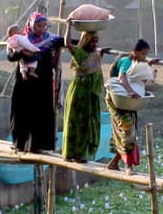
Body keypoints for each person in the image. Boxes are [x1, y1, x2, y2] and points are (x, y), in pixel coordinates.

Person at [8, 12, 64, 152]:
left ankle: (37, 146)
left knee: (41, 113)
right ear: (31, 25)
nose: (42, 28)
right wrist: (23, 53)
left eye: (44, 26)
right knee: (21, 111)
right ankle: (19, 144)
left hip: (42, 82)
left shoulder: (50, 39)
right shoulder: (20, 40)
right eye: (38, 25)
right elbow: (10, 56)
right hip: (25, 81)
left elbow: (67, 41)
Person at [105, 39, 159, 173]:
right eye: (143, 54)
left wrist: (149, 66)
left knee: (129, 132)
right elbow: (122, 78)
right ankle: (128, 166)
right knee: (127, 130)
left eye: (146, 55)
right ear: (134, 52)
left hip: (128, 102)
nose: (144, 57)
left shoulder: (137, 63)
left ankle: (114, 163)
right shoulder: (126, 62)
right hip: (118, 101)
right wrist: (130, 91)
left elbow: (140, 79)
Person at [60, 21, 106, 162]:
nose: (94, 44)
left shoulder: (96, 54)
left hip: (91, 96)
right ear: (85, 41)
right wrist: (68, 26)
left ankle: (82, 154)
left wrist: (102, 53)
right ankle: (73, 153)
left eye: (96, 42)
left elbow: (96, 65)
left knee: (89, 124)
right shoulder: (80, 53)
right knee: (76, 122)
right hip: (79, 93)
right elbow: (67, 43)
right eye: (92, 41)